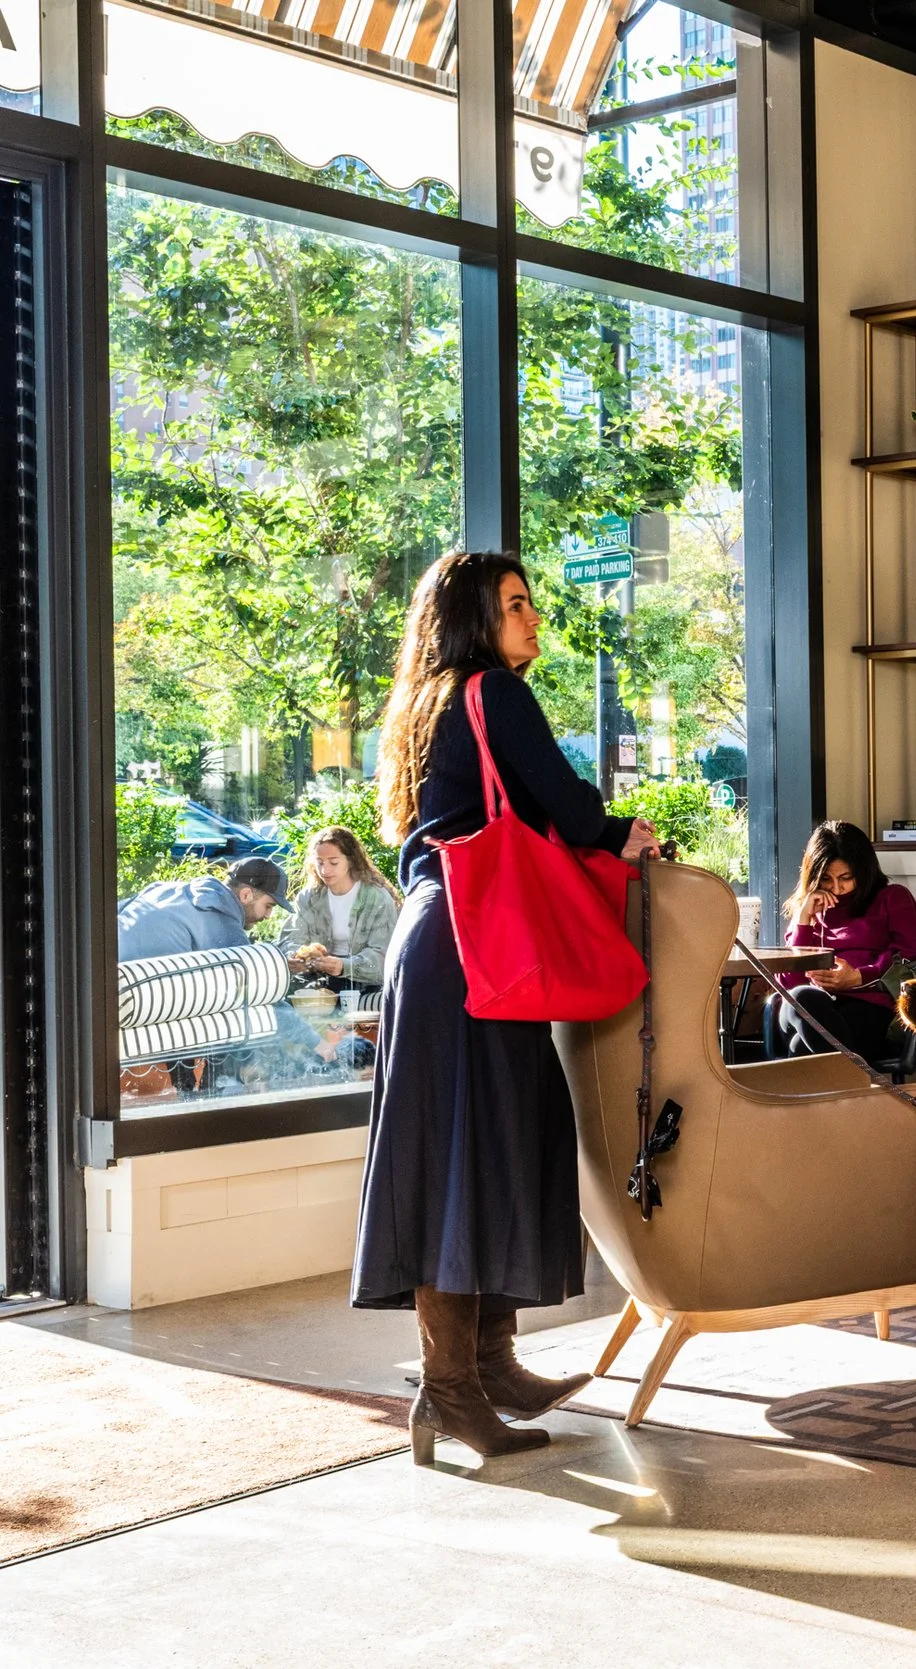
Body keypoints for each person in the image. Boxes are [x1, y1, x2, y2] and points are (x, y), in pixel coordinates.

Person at [355, 550, 658, 1463]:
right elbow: (564, 809)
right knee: (470, 1155)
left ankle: (488, 1362)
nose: (534, 620)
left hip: (440, 936)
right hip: (475, 946)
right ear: (475, 618)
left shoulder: (425, 700)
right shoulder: (493, 691)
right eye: (517, 605)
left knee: (484, 1143)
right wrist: (618, 830)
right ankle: (451, 1387)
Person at [768, 820, 916, 1062]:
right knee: (800, 998)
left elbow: (914, 956)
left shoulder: (892, 898)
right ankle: (857, 1084)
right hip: (811, 1008)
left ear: (863, 871)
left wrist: (859, 977)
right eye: (826, 879)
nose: (837, 888)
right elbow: (789, 981)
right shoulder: (811, 909)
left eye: (846, 877)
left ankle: (842, 1081)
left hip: (869, 1009)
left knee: (800, 1048)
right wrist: (803, 917)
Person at [280, 826, 402, 990]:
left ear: (351, 861)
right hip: (317, 978)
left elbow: (383, 956)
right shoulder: (308, 897)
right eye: (319, 862)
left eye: (333, 862)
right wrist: (294, 957)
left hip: (365, 983)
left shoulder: (377, 898)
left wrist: (343, 966)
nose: (325, 870)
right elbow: (292, 939)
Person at [117, 856, 291, 960]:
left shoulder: (162, 889)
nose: (269, 915)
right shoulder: (221, 918)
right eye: (269, 906)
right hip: (151, 1002)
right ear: (246, 895)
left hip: (110, 987)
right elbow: (251, 978)